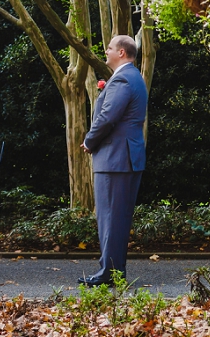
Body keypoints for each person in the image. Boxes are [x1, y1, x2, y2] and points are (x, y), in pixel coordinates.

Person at [78, 35, 147, 287]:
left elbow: (107, 117)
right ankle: (114, 272)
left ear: (121, 52)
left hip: (116, 159)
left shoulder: (123, 79)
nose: (105, 52)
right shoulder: (133, 77)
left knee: (110, 218)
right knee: (116, 218)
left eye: (108, 48)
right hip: (124, 158)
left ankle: (109, 273)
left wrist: (89, 141)